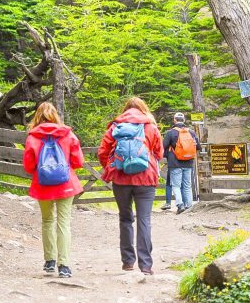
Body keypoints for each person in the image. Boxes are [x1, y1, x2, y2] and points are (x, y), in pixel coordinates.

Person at [98, 97, 163, 275]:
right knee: (144, 219)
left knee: (125, 219)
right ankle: (146, 265)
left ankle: (128, 262)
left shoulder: (115, 127)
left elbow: (102, 152)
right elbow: (159, 152)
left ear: (126, 109)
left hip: (120, 179)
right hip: (146, 179)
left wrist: (111, 168)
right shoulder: (150, 126)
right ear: (143, 109)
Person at [23, 102, 84, 278]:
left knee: (47, 220)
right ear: (55, 115)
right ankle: (64, 265)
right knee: (63, 222)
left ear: (37, 116)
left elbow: (28, 166)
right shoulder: (68, 134)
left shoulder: (33, 137)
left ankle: (49, 261)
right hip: (66, 184)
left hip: (43, 185)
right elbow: (78, 161)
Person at [162, 113, 201, 214]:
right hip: (188, 163)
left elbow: (163, 146)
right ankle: (189, 206)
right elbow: (198, 147)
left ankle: (180, 205)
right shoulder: (192, 132)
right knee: (187, 185)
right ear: (184, 120)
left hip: (175, 163)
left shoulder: (171, 133)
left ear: (174, 120)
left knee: (176, 185)